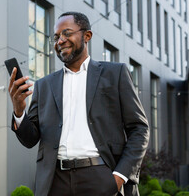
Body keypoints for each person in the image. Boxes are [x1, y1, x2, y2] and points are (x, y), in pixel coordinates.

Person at [8, 12, 150, 196]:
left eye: (67, 33)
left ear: (86, 36)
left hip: (101, 175)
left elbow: (139, 129)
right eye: (57, 37)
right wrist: (19, 112)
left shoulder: (115, 74)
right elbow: (30, 139)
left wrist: (120, 176)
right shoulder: (44, 85)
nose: (60, 41)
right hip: (54, 181)